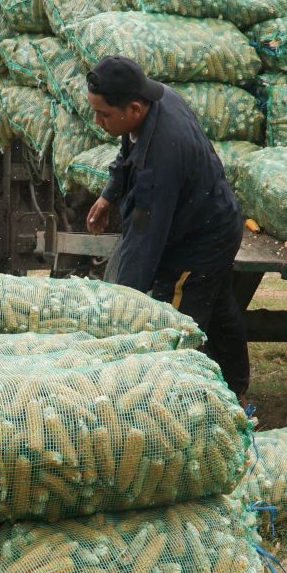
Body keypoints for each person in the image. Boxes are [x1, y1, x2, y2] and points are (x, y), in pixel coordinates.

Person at [82, 55, 250, 398]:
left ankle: (174, 398)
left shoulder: (161, 159)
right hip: (212, 217)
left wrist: (121, 304)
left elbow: (143, 243)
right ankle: (236, 386)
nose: (97, 121)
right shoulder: (156, 100)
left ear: (133, 109)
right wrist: (110, 194)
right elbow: (127, 152)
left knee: (173, 324)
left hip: (200, 240)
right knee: (217, 309)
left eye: (104, 114)